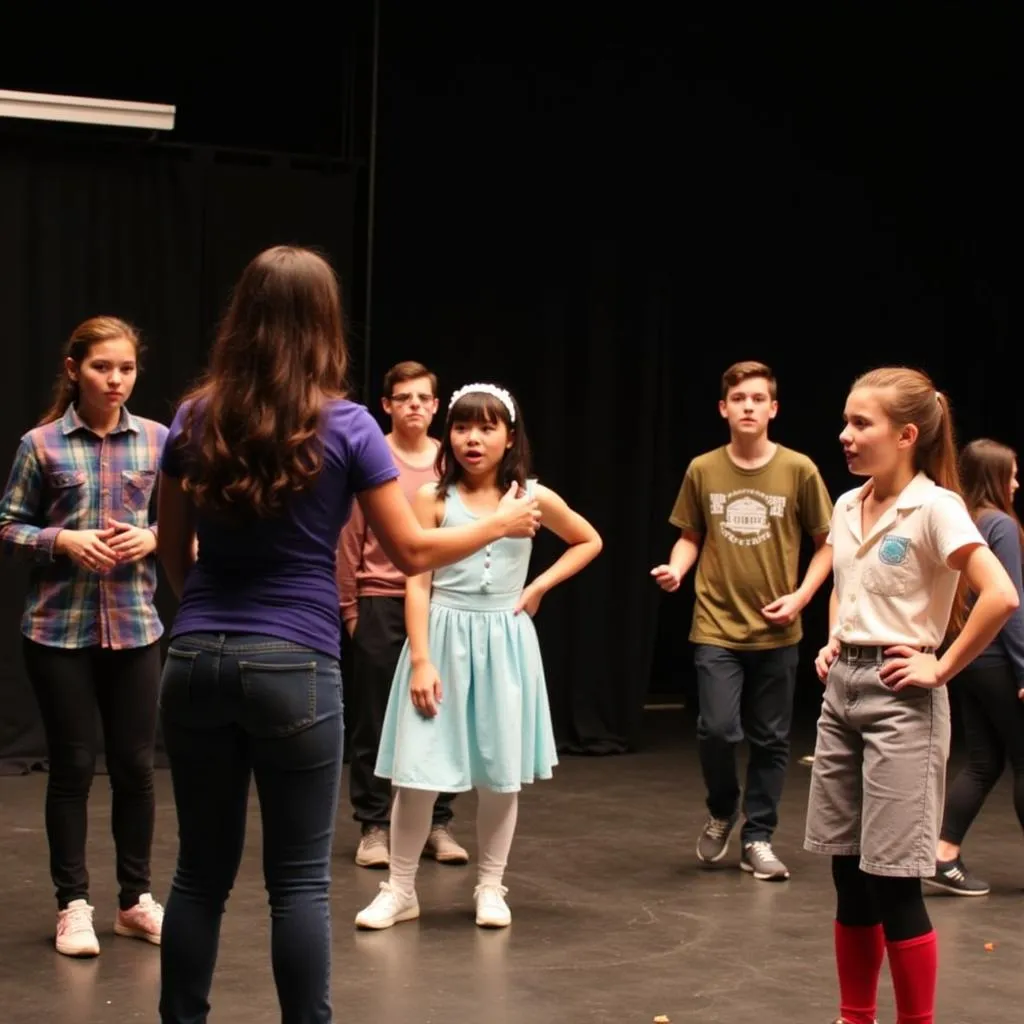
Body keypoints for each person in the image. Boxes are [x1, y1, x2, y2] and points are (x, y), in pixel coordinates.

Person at [154, 248, 540, 1024]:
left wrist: (204, 616)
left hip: (193, 657)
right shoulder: (347, 425)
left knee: (199, 874)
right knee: (296, 881)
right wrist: (499, 523)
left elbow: (170, 547)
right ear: (325, 323)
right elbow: (413, 553)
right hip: (294, 664)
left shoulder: (197, 414)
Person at [803, 369, 1018, 1024]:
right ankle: (855, 1016)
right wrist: (837, 636)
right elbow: (849, 580)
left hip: (901, 698)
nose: (845, 434)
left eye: (860, 424)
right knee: (847, 870)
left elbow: (1001, 594)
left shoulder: (936, 507)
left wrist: (942, 666)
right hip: (841, 693)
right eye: (845, 420)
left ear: (905, 435)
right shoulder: (845, 505)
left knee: (892, 877)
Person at [354, 382, 602, 930]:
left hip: (503, 643)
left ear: (509, 437)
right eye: (463, 427)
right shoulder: (433, 499)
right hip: (442, 637)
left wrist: (538, 587)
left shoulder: (532, 497)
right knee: (418, 773)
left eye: (487, 427)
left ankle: (491, 884)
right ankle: (399, 888)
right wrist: (421, 658)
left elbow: (588, 540)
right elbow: (416, 582)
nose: (473, 438)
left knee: (499, 773)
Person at [0, 316, 167, 957]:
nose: (116, 379)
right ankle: (72, 905)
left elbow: (182, 528)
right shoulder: (40, 445)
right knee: (71, 768)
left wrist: (152, 537)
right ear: (74, 370)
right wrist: (60, 539)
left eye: (126, 368)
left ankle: (134, 900)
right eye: (103, 367)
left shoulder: (157, 440)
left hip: (134, 628)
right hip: (57, 632)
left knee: (135, 768)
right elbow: (9, 527)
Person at [651, 360, 833, 881]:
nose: (748, 407)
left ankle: (758, 837)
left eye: (758, 399)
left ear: (773, 409)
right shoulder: (703, 469)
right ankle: (723, 808)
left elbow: (828, 546)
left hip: (778, 629)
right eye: (739, 399)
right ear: (724, 409)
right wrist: (676, 570)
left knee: (772, 739)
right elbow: (691, 535)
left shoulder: (799, 470)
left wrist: (800, 597)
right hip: (716, 624)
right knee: (717, 729)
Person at [338, 360, 467, 869]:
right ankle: (373, 825)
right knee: (374, 716)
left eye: (423, 398)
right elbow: (349, 539)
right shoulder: (374, 456)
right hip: (380, 600)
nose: (414, 405)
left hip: (441, 604)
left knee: (440, 714)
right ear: (386, 406)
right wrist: (350, 607)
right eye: (404, 398)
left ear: (436, 407)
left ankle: (437, 821)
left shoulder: (449, 462)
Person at [926, 439, 1024, 897]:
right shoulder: (1000, 523)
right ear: (995, 476)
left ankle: (941, 854)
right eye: (1013, 473)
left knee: (985, 760)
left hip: (966, 659)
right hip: (998, 659)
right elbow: (1008, 604)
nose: (1017, 482)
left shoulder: (963, 520)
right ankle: (939, 853)